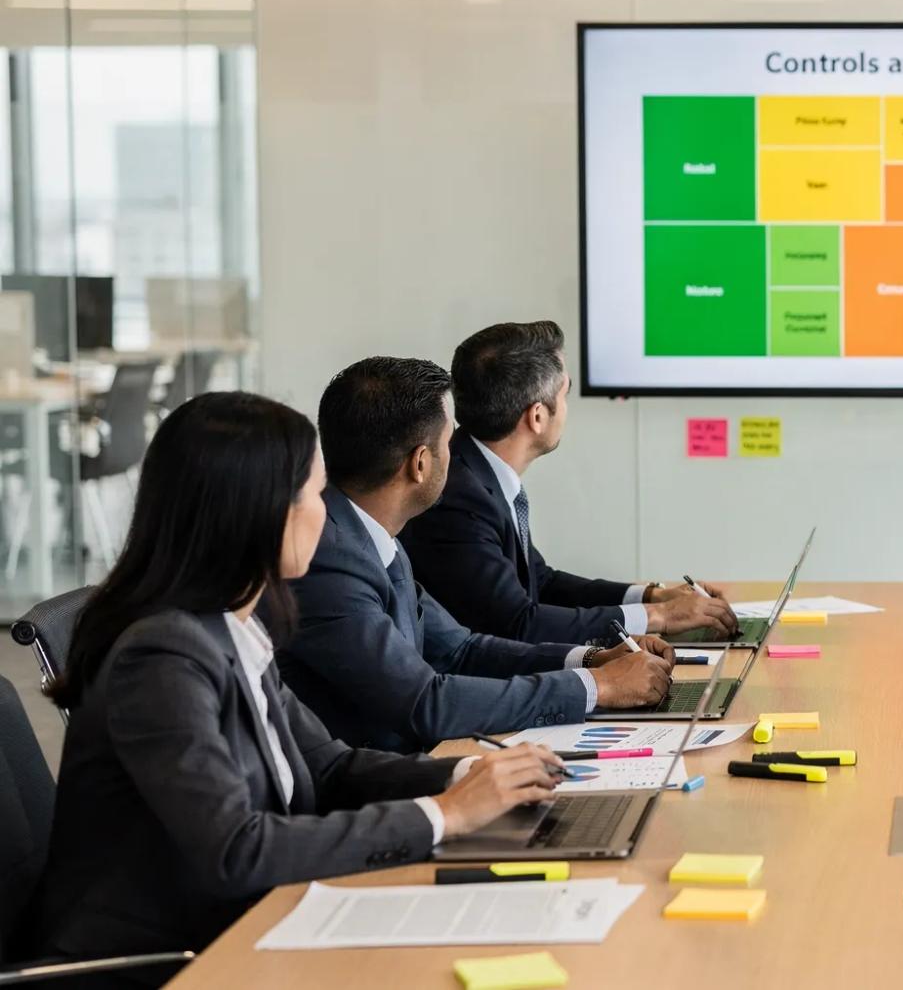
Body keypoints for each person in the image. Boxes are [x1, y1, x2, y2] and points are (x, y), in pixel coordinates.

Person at [34, 392, 567, 983]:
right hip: (174, 961)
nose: (327, 512)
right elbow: (238, 850)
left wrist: (465, 776)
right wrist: (443, 815)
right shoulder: (163, 657)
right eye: (314, 494)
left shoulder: (232, 625)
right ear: (260, 512)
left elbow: (330, 769)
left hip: (253, 924)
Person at [279, 358, 677, 752]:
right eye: (449, 440)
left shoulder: (371, 534)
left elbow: (461, 649)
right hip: (375, 791)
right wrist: (599, 687)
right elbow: (425, 702)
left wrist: (591, 660)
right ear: (420, 463)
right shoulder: (328, 560)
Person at [400, 320, 735, 644]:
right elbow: (518, 624)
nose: (566, 408)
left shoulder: (477, 472)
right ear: (537, 416)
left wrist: (652, 595)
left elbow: (540, 582)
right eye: (565, 394)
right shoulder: (458, 499)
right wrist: (658, 616)